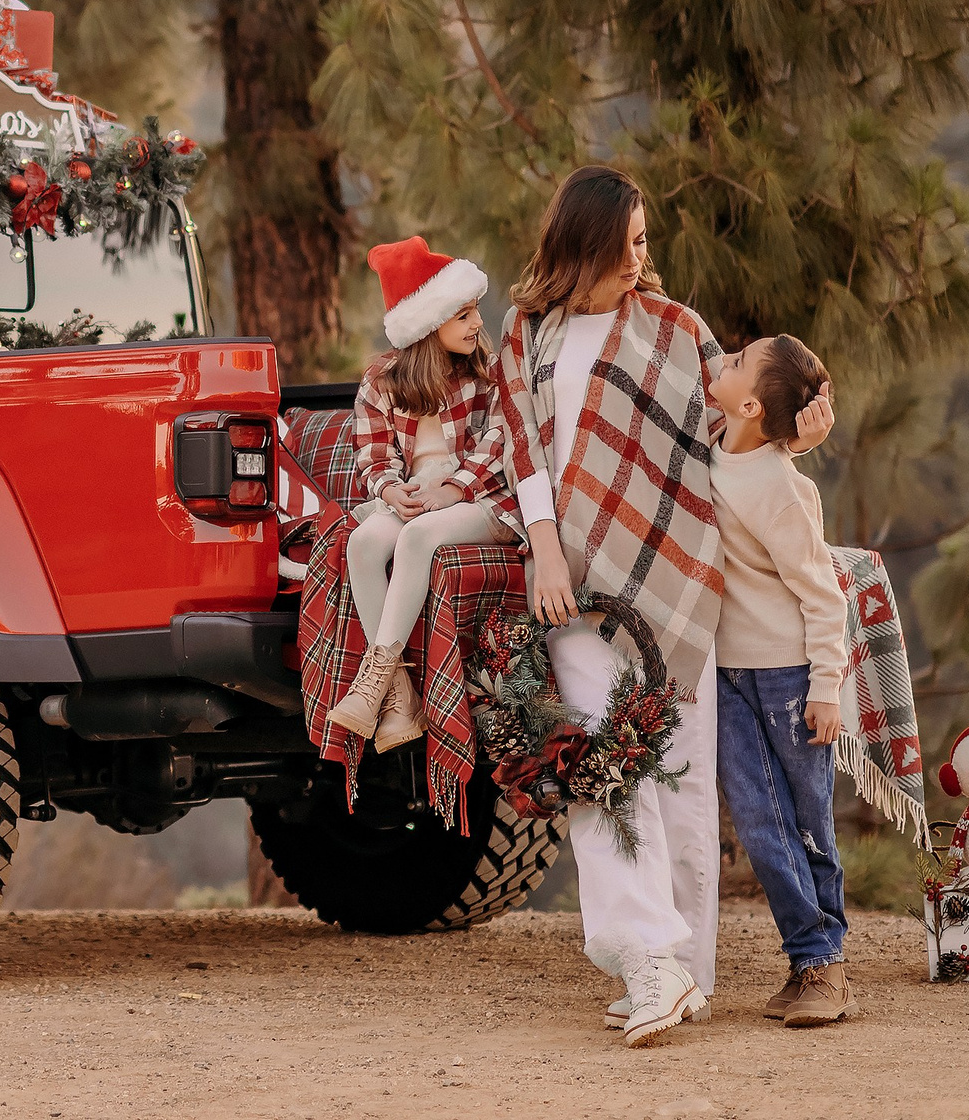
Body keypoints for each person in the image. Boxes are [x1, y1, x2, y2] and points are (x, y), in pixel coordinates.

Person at [490, 166, 832, 1048]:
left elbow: (739, 425)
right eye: (631, 241)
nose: (645, 256)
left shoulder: (676, 328)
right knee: (604, 769)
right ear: (587, 243)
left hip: (680, 577)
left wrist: (801, 433)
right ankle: (648, 958)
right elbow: (522, 448)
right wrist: (542, 546)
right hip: (575, 579)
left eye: (646, 239)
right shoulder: (528, 329)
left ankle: (688, 972)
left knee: (677, 777)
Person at [704, 333, 857, 1027]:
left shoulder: (782, 490)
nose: (723, 359)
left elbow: (825, 594)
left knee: (806, 824)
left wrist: (827, 686)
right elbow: (755, 452)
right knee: (761, 825)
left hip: (791, 678)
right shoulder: (716, 457)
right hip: (730, 673)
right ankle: (811, 959)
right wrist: (791, 440)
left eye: (736, 361)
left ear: (751, 403)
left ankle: (825, 968)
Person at [326, 235, 512, 749]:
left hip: (479, 498)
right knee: (363, 543)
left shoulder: (485, 373)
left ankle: (373, 678)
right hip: (415, 497)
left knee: (416, 538)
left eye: (476, 312)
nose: (478, 323)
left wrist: (456, 486)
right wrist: (389, 491)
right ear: (430, 325)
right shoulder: (382, 381)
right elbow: (372, 456)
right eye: (464, 315)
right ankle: (400, 696)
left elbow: (501, 436)